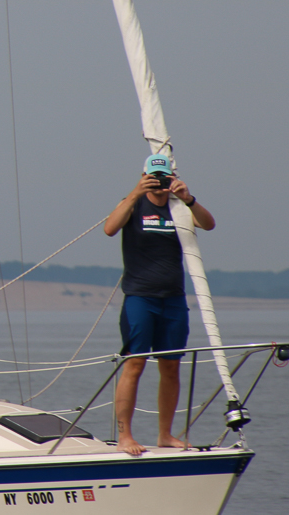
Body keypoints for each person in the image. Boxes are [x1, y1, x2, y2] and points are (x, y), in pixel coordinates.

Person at [103, 153, 216, 456]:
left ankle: (165, 435)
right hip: (140, 296)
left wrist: (189, 199)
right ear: (143, 176)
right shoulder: (132, 203)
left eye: (164, 178)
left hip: (174, 299)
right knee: (135, 363)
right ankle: (125, 436)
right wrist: (135, 193)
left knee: (171, 367)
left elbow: (209, 224)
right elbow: (110, 228)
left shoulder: (179, 208)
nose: (160, 184)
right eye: (154, 178)